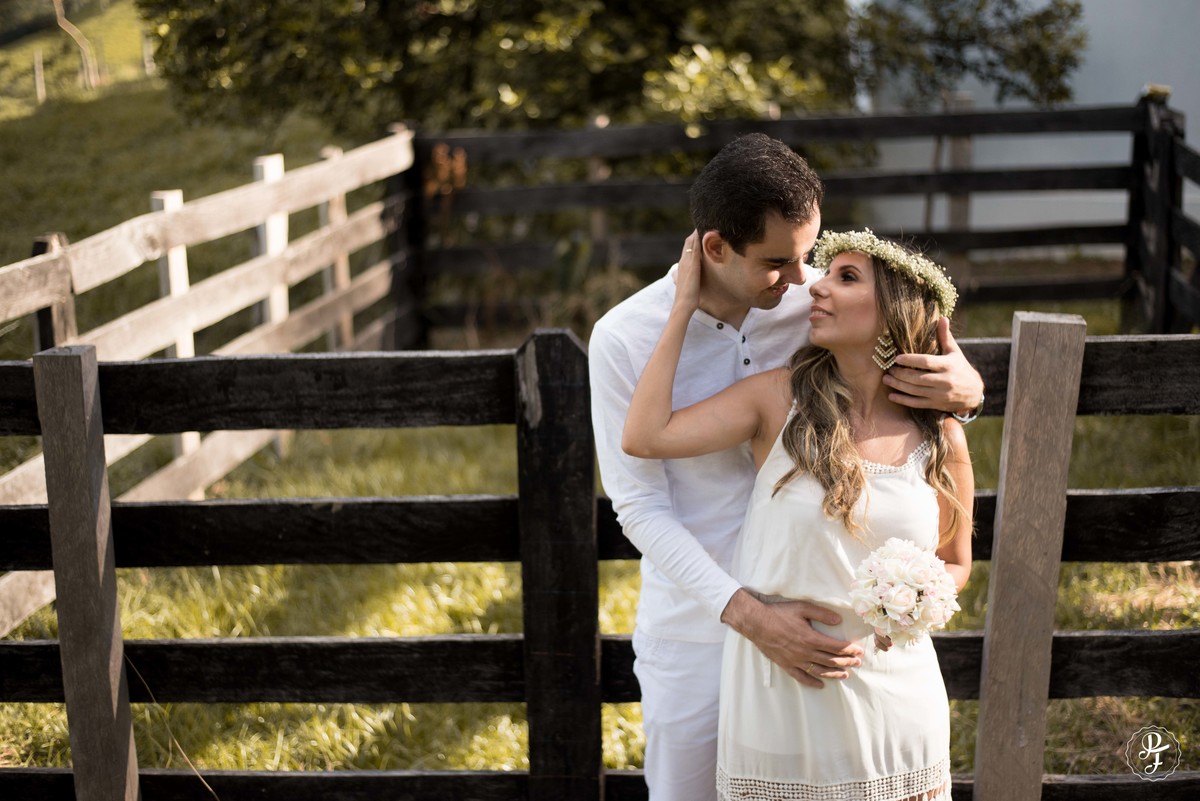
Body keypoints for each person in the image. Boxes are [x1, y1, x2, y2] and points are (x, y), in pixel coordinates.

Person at [588, 133, 984, 801]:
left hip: (832, 625)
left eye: (811, 256)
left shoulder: (809, 305)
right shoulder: (624, 339)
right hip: (698, 624)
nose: (804, 280)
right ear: (715, 248)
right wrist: (747, 613)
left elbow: (896, 365)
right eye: (780, 261)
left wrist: (966, 395)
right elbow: (640, 506)